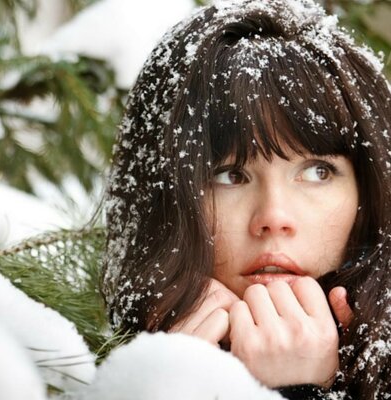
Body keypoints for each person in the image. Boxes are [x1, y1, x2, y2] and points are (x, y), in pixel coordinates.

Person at [100, 0, 391, 398]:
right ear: (165, 199)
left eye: (317, 172)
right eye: (230, 176)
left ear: (370, 192)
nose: (274, 217)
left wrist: (299, 390)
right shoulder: (60, 367)